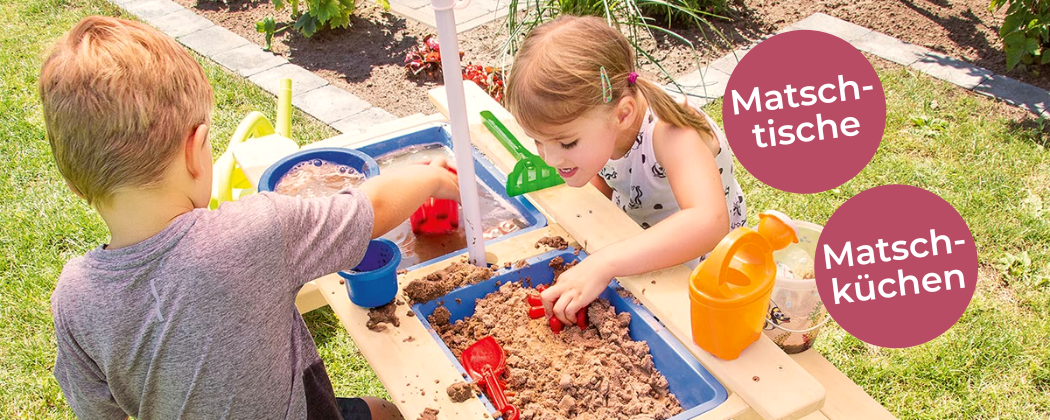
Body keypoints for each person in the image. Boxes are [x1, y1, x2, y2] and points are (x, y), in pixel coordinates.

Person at [40, 16, 458, 420]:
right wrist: (429, 176)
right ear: (195, 150)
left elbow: (96, 410)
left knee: (377, 411)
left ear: (76, 183)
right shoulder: (254, 233)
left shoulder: (73, 298)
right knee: (393, 412)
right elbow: (373, 208)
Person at [505, 15, 747, 326]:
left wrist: (604, 263)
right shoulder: (604, 124)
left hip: (706, 274)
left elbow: (709, 222)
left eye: (566, 143)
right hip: (639, 249)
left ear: (623, 115)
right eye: (538, 141)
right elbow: (611, 175)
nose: (550, 158)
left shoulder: (672, 133)